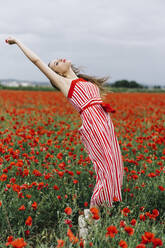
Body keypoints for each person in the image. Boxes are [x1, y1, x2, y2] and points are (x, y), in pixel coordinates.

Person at [5, 36, 124, 240]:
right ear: (56, 73)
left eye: (57, 60)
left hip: (104, 121)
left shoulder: (83, 81)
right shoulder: (63, 82)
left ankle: (98, 217)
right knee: (106, 169)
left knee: (116, 168)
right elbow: (36, 61)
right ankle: (89, 218)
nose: (58, 61)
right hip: (93, 124)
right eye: (55, 64)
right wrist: (17, 42)